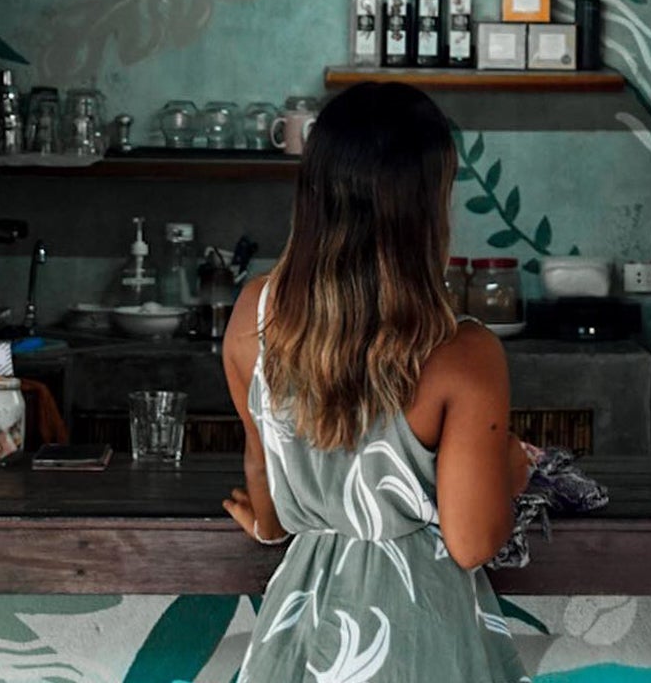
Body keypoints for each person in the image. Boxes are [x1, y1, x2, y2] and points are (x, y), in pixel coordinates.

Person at [222, 81, 532, 682]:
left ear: (314, 192)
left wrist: (263, 522)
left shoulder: (253, 314)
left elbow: (265, 480)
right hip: (422, 639)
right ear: (427, 206)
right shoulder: (464, 352)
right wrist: (509, 468)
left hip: (303, 635)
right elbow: (470, 541)